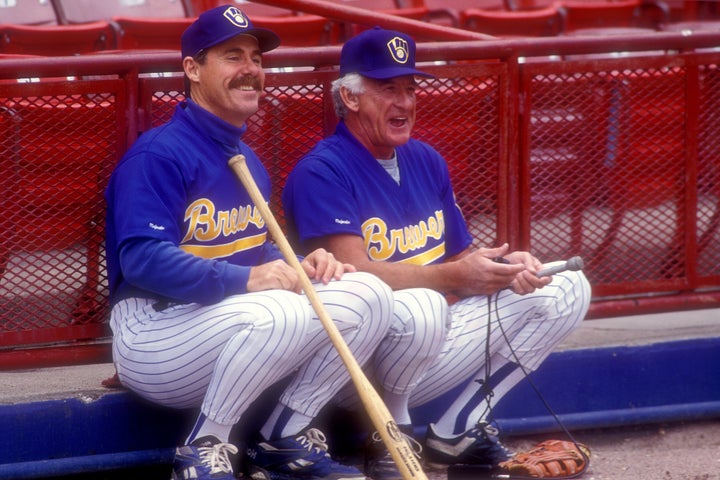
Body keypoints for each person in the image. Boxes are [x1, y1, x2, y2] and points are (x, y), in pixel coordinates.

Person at [104, 7, 408, 480]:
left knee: (369, 294)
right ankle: (205, 446)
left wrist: (304, 263)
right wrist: (250, 278)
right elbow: (141, 260)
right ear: (191, 68)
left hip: (220, 324)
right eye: (232, 56)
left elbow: (255, 249)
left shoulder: (246, 158)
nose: (251, 69)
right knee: (279, 309)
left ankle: (284, 437)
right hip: (153, 332)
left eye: (256, 58)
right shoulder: (157, 154)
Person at [282, 26, 592, 477]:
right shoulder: (322, 171)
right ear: (350, 98)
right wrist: (452, 279)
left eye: (410, 89)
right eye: (388, 90)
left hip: (430, 339)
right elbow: (352, 276)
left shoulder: (426, 159)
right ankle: (391, 435)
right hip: (356, 361)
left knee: (566, 285)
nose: (405, 103)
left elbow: (455, 260)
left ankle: (458, 431)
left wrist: (501, 267)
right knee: (423, 305)